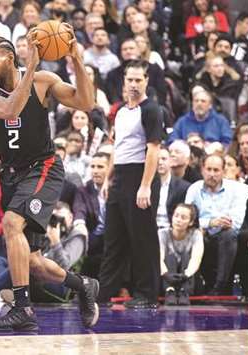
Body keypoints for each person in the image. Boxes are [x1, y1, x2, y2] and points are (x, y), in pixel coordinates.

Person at [0, 30, 100, 331]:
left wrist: (76, 57)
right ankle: (83, 286)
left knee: (12, 223)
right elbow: (9, 109)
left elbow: (86, 102)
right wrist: (30, 67)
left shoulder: (43, 81)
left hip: (44, 168)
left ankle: (22, 308)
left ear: (10, 58)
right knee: (32, 262)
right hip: (12, 175)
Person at [97, 60, 162, 309]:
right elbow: (118, 146)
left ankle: (147, 294)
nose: (133, 84)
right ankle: (104, 293)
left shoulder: (152, 110)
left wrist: (145, 186)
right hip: (121, 177)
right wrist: (108, 177)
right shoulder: (121, 111)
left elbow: (154, 149)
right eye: (130, 80)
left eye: (138, 80)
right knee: (114, 238)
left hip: (140, 176)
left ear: (146, 81)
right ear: (124, 81)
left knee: (142, 239)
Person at [185, 154, 248, 295]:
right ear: (202, 170)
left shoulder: (237, 189)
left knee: (229, 234)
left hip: (227, 236)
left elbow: (236, 222)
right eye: (209, 169)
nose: (212, 174)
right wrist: (211, 222)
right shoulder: (194, 189)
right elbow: (187, 218)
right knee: (196, 235)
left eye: (216, 170)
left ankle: (220, 287)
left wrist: (214, 224)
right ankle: (197, 287)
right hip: (202, 234)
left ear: (223, 171)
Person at [159, 203, 204, 306]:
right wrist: (166, 274)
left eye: (183, 218)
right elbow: (159, 258)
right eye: (176, 216)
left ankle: (185, 292)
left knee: (186, 256)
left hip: (187, 275)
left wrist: (186, 275)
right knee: (170, 257)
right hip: (167, 275)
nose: (178, 220)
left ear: (191, 222)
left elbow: (196, 258)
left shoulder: (196, 234)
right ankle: (169, 291)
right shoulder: (162, 233)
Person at [156, 147, 191, 229]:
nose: (160, 162)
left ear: (171, 161)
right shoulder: (146, 186)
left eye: (164, 159)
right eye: (157, 159)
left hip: (172, 230)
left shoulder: (183, 187)